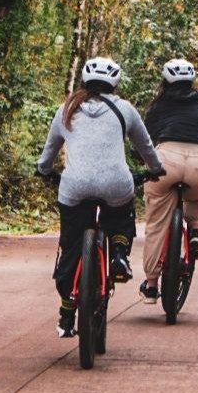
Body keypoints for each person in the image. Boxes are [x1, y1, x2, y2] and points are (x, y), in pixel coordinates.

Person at [37, 56, 164, 337]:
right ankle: (118, 253)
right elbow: (145, 147)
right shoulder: (125, 109)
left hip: (74, 187)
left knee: (70, 246)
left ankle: (67, 311)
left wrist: (45, 170)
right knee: (120, 215)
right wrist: (156, 169)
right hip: (115, 185)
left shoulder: (66, 109)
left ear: (84, 80)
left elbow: (48, 154)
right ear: (115, 83)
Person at [138, 58, 198, 304]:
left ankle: (151, 285)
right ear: (192, 81)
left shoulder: (159, 105)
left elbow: (143, 138)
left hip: (165, 162)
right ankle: (194, 231)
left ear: (165, 81)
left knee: (156, 224)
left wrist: (138, 157)